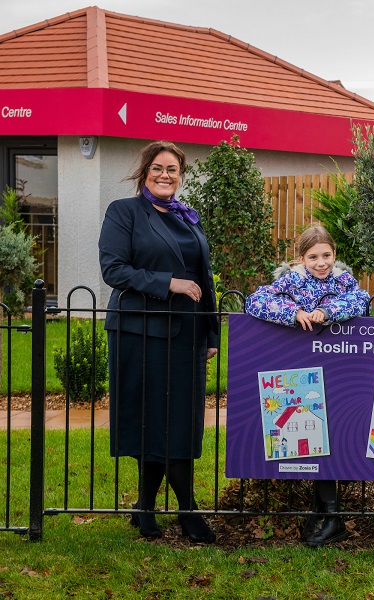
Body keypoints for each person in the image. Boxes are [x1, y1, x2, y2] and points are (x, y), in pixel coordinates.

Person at [99, 141, 218, 543]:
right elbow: (114, 269)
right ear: (144, 171)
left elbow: (204, 277)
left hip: (188, 333)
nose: (166, 175)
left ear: (180, 175)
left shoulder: (188, 219)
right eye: (158, 168)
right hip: (140, 331)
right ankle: (188, 511)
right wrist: (168, 283)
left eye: (173, 169)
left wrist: (211, 331)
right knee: (153, 421)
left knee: (179, 422)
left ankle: (145, 507)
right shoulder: (124, 212)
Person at [245, 224, 370, 547]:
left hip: (339, 371)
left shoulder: (343, 282)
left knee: (334, 434)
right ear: (301, 258)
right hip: (302, 373)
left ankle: (329, 515)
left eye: (327, 255)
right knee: (313, 434)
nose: (321, 262)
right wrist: (294, 312)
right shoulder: (290, 282)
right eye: (313, 256)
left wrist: (327, 311)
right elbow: (255, 301)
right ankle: (326, 514)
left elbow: (362, 301)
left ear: (335, 255)